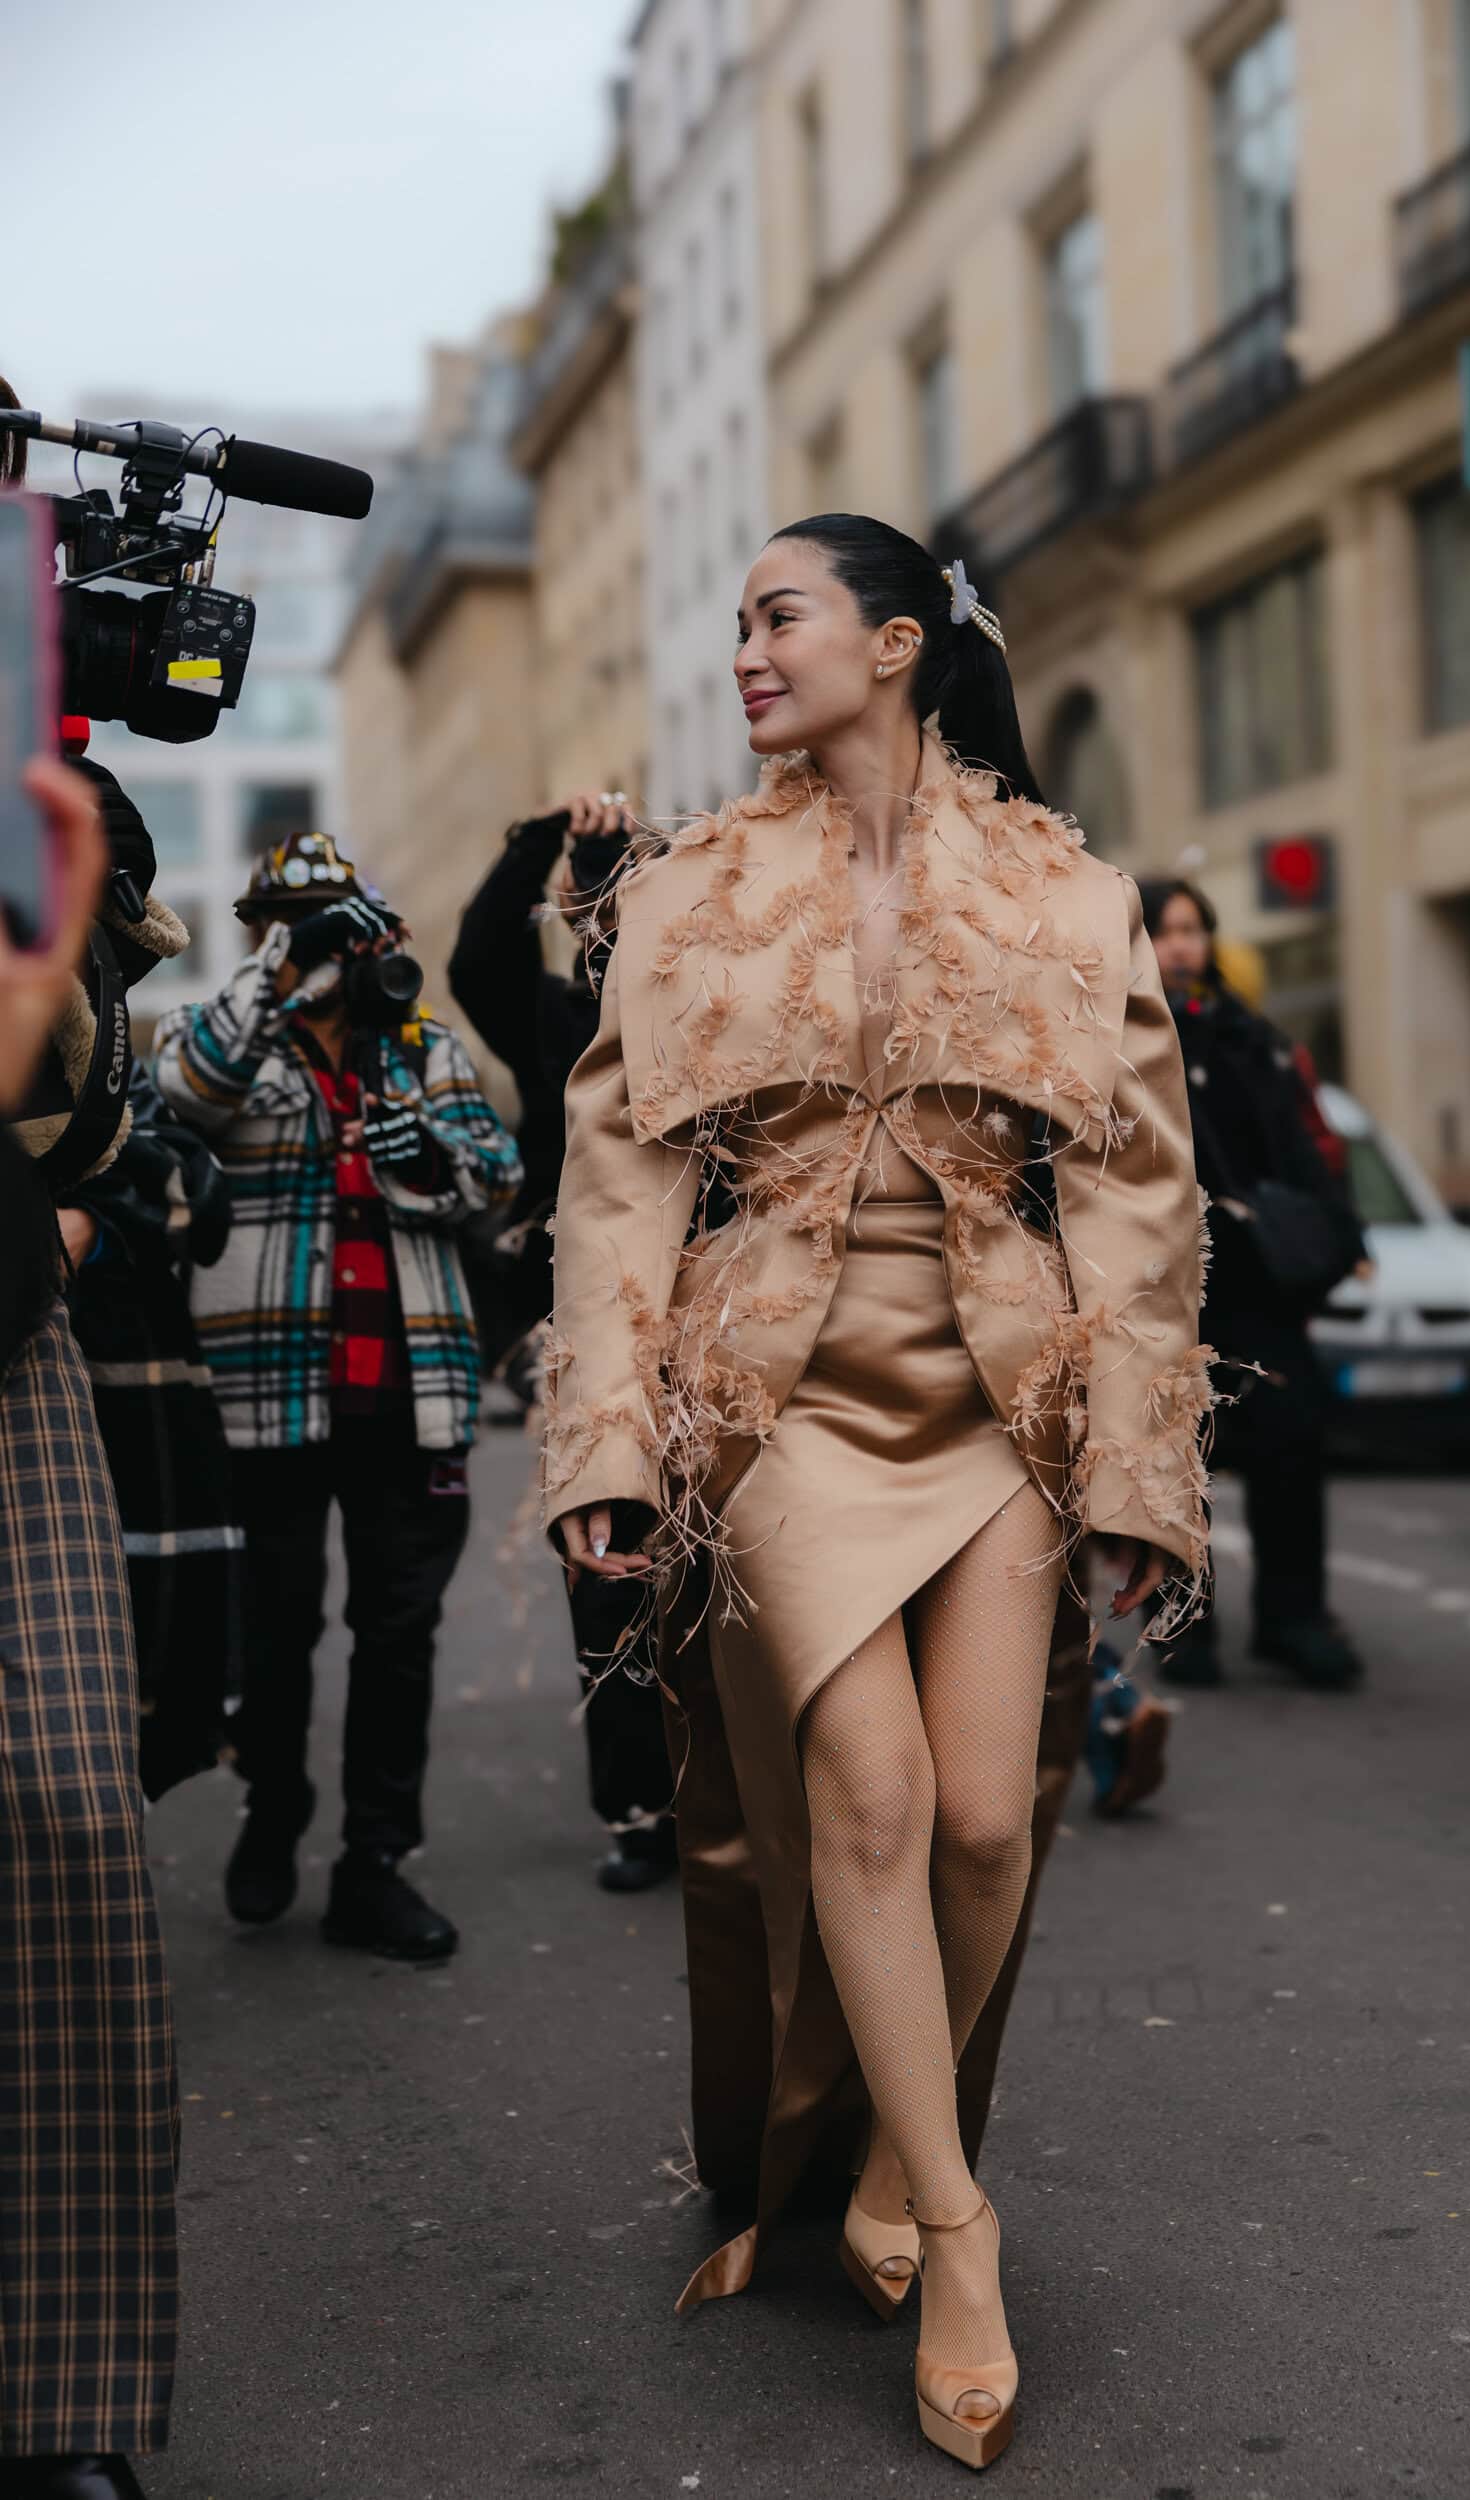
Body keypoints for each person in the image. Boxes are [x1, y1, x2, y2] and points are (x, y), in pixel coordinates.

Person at [544, 515, 1207, 2469]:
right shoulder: (687, 894)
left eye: (779, 615)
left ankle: (887, 2159)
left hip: (996, 1388)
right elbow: (613, 1181)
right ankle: (955, 2215)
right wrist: (599, 1434)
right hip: (776, 1396)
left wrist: (1141, 1465)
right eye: (735, 623)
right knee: (871, 1795)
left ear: (896, 643)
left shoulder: (1056, 890)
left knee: (988, 1819)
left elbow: (1138, 1192)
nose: (745, 651)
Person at [154, 833, 521, 1960]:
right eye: (297, 921)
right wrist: (281, 973)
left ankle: (374, 1860)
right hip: (265, 1391)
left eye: (338, 920)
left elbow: (492, 1180)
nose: (322, 942)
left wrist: (423, 1161)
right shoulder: (230, 1036)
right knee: (271, 1628)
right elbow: (178, 1096)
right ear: (269, 929)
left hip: (410, 1387)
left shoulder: (419, 1042)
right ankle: (274, 1811)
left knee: (396, 1629)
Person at [1, 753, 178, 2500]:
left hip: (10, 1334)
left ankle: (60, 2394)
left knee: (65, 1819)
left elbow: (107, 1100)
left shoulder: (39, 776)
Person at [450, 797, 677, 1893]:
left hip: (737, 1321)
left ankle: (753, 1787)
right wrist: (537, 837)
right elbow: (478, 958)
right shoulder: (558, 1021)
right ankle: (640, 1806)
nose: (609, 912)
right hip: (596, 1329)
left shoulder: (716, 1011)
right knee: (610, 1563)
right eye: (592, 898)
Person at [1140, 877, 1365, 1691]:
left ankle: (1292, 1618)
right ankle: (1182, 1624)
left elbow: (1309, 1152)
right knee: (1173, 1464)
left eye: (1193, 929)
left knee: (1290, 1444)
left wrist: (1334, 1236)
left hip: (1259, 1285)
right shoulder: (1118, 1038)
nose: (1181, 945)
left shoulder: (1253, 1039)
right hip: (1165, 1289)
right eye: (1164, 931)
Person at [62, 1063, 241, 1801]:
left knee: (89, 1715)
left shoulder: (82, 1031)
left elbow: (193, 1190)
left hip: (103, 1403)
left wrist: (90, 1225)